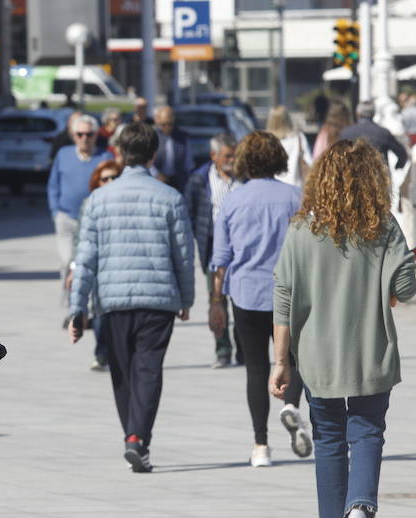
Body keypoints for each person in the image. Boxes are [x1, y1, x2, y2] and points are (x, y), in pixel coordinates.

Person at [269, 140, 416, 518]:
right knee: (368, 431)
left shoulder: (302, 230)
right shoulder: (384, 227)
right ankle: (359, 511)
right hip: (371, 349)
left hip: (317, 355)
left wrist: (281, 361)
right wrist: (413, 261)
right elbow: (404, 289)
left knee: (330, 437)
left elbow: (283, 295)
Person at [69, 121, 194, 474]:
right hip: (158, 300)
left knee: (122, 373)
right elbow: (183, 255)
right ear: (153, 154)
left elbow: (86, 258)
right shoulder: (171, 197)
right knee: (149, 370)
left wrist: (78, 308)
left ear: (120, 153)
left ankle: (133, 436)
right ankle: (138, 438)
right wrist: (186, 298)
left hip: (113, 300)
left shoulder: (97, 200)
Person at [210, 131, 309, 468]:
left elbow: (221, 257)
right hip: (291, 292)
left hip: (247, 292)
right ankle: (291, 405)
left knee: (256, 367)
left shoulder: (233, 201)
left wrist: (216, 301)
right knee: (295, 360)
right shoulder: (297, 197)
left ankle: (260, 445)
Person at [185, 132, 239, 368]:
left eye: (235, 156)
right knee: (216, 300)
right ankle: (223, 350)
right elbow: (190, 212)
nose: (232, 161)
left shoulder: (244, 179)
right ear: (213, 156)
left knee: (241, 304)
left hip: (240, 250)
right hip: (212, 250)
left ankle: (244, 349)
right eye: (228, 156)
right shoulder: (199, 180)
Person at [48, 113, 110, 312]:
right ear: (73, 135)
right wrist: (56, 211)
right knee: (68, 261)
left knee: (91, 264)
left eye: (89, 134)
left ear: (95, 136)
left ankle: (91, 306)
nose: (84, 138)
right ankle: (69, 306)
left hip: (93, 221)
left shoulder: (105, 158)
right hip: (66, 218)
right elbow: (53, 185)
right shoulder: (63, 154)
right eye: (80, 134)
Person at [74, 158, 124, 371]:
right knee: (99, 312)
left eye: (115, 177)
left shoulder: (124, 202)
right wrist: (75, 266)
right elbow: (79, 237)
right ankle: (101, 352)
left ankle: (116, 353)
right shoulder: (90, 203)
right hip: (96, 266)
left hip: (119, 265)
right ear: (97, 181)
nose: (110, 181)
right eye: (106, 178)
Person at [266, 105, 311, 187]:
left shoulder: (267, 140)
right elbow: (309, 162)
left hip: (272, 187)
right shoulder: (299, 138)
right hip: (295, 187)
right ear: (287, 119)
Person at [152, 105, 192, 191]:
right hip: (157, 181)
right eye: (163, 124)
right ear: (158, 121)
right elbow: (148, 160)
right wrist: (157, 174)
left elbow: (188, 163)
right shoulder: (153, 136)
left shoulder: (183, 137)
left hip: (178, 182)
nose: (167, 127)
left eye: (169, 124)